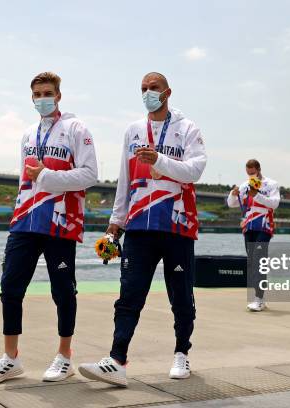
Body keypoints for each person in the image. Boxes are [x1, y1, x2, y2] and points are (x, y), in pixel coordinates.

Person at [79, 72, 207, 386]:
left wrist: (159, 159)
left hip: (176, 226)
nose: (148, 93)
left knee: (181, 296)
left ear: (168, 92)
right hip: (138, 226)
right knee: (129, 295)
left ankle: (181, 353)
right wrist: (113, 228)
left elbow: (195, 170)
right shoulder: (134, 131)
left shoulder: (188, 129)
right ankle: (116, 360)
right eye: (144, 89)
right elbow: (125, 181)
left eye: (154, 88)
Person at [0, 72, 98, 383]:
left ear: (58, 95)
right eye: (37, 94)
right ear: (31, 98)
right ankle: (11, 359)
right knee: (10, 287)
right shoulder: (28, 134)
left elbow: (90, 174)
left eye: (47, 93)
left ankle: (64, 356)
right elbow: (25, 178)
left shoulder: (77, 129)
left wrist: (46, 176)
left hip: (60, 220)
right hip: (25, 220)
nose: (42, 98)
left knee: (62, 291)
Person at [227, 159, 280, 312]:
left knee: (258, 260)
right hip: (248, 227)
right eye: (248, 173)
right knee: (252, 262)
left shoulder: (271, 184)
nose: (251, 175)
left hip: (264, 226)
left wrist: (256, 195)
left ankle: (259, 299)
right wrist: (233, 194)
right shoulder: (244, 185)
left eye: (253, 172)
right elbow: (232, 204)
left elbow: (274, 203)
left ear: (258, 169)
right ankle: (260, 298)